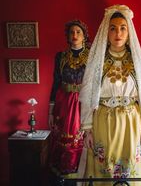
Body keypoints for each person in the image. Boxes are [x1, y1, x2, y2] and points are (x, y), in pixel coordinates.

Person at [79, 5, 141, 186]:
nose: (118, 33)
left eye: (123, 28)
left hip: (131, 123)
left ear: (129, 32)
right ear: (106, 31)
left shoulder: (135, 61)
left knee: (130, 168)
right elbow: (89, 95)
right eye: (112, 28)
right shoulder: (98, 61)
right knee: (104, 168)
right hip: (103, 123)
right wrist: (87, 128)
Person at [48, 20, 90, 177]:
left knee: (83, 138)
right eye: (72, 32)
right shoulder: (61, 56)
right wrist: (50, 112)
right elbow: (56, 83)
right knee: (64, 139)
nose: (75, 35)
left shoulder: (91, 56)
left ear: (84, 35)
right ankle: (65, 174)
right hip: (64, 103)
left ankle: (83, 173)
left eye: (78, 32)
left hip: (84, 102)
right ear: (67, 35)